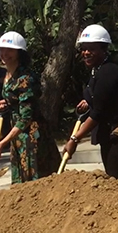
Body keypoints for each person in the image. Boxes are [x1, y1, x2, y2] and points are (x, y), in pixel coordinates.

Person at [62, 25, 118, 184]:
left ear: (104, 49)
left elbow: (98, 113)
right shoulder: (96, 71)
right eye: (84, 49)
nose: (86, 53)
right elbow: (99, 99)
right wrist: (87, 102)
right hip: (110, 133)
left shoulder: (109, 72)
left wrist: (74, 139)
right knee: (113, 176)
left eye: (91, 49)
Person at [0, 31, 61, 184]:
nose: (4, 53)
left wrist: (2, 143)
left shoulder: (26, 79)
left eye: (10, 50)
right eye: (2, 49)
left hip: (31, 137)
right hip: (17, 136)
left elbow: (25, 118)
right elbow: (14, 100)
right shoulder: (7, 75)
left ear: (19, 53)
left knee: (35, 181)